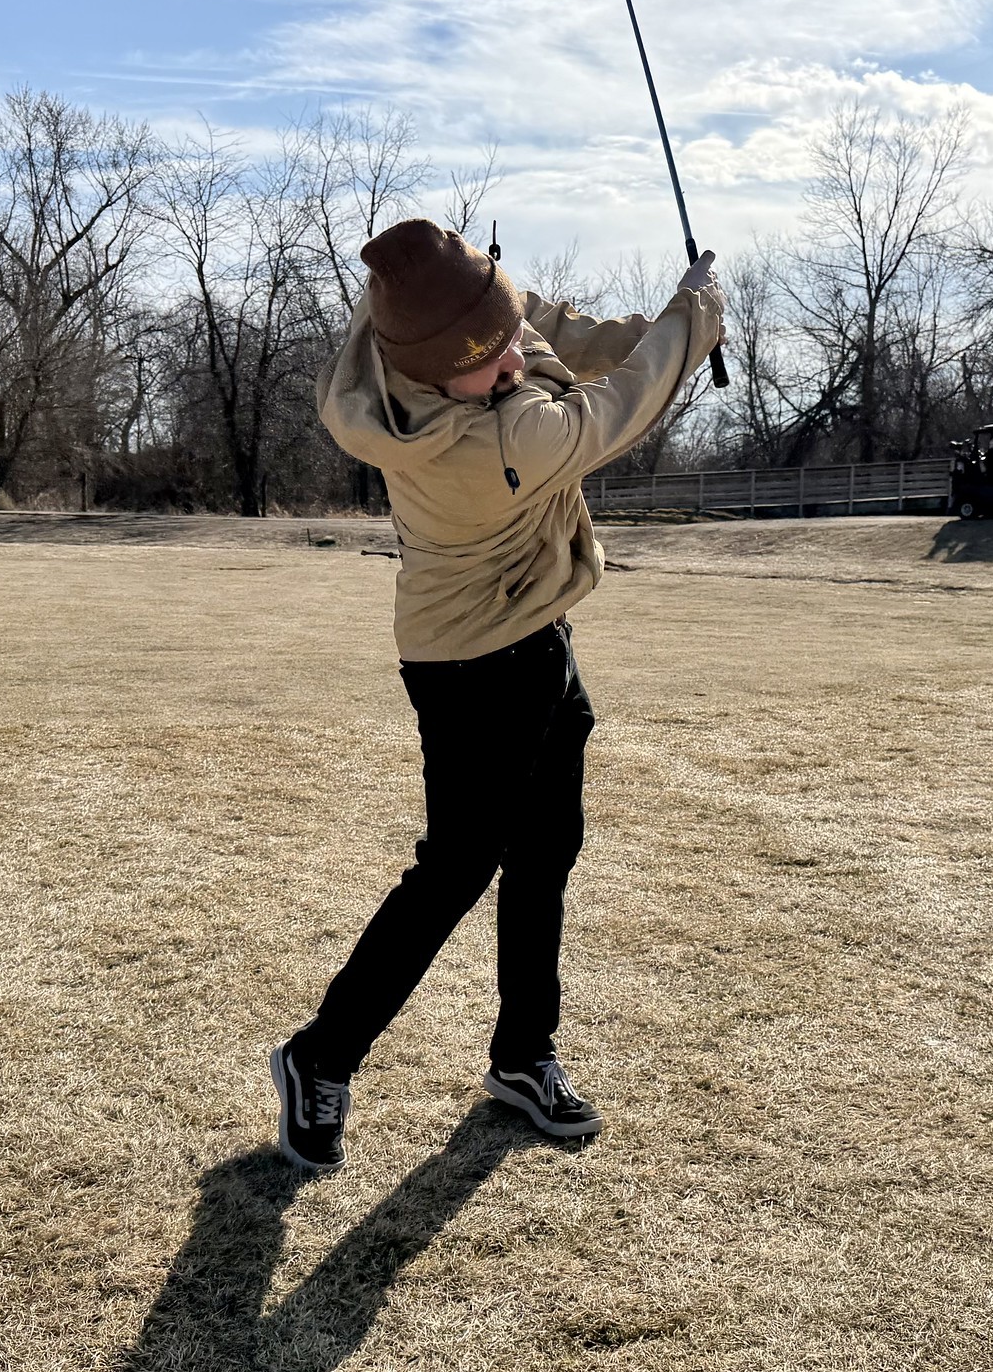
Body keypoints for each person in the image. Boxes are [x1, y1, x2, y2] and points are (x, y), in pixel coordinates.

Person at [270, 217, 726, 1171]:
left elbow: (536, 329)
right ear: (437, 378)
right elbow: (621, 406)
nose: (513, 362)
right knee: (457, 869)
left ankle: (524, 1055)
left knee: (547, 850)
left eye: (506, 337)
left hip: (539, 633)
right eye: (487, 363)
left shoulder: (411, 332)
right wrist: (691, 324)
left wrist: (648, 323)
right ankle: (322, 1055)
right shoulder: (494, 444)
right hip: (473, 666)